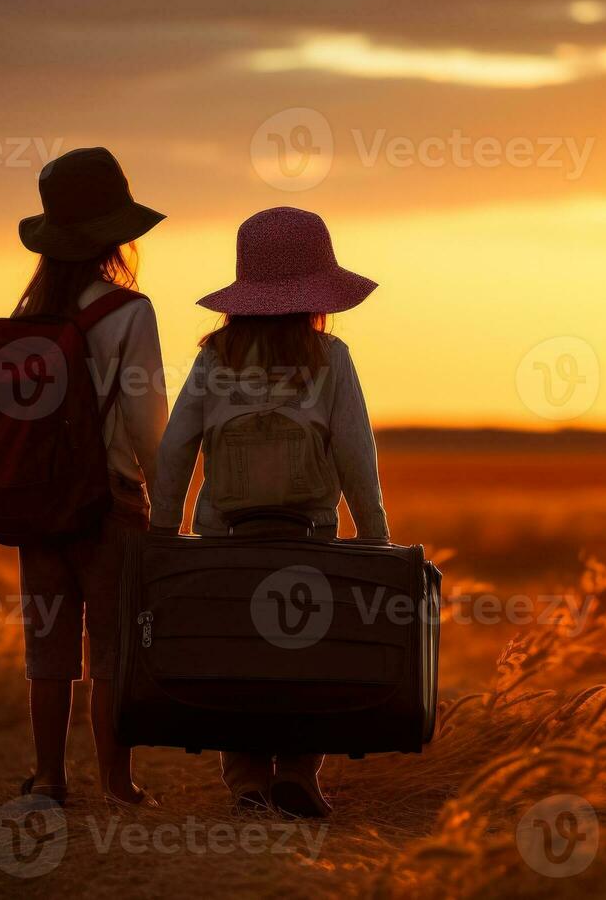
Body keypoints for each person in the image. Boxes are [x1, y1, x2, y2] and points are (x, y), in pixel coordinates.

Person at [149, 205, 388, 818]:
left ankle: (247, 778)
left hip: (225, 533)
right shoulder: (330, 357)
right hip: (310, 534)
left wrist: (164, 531)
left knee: (234, 647)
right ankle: (301, 774)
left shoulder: (213, 357)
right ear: (318, 291)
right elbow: (355, 453)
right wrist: (375, 534)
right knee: (306, 648)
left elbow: (177, 447)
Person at [13, 147, 167, 807]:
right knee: (112, 649)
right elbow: (146, 419)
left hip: (38, 506)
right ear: (115, 236)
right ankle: (117, 783)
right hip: (109, 504)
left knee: (48, 646)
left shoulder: (27, 315)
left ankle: (49, 778)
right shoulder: (129, 313)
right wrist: (165, 509)